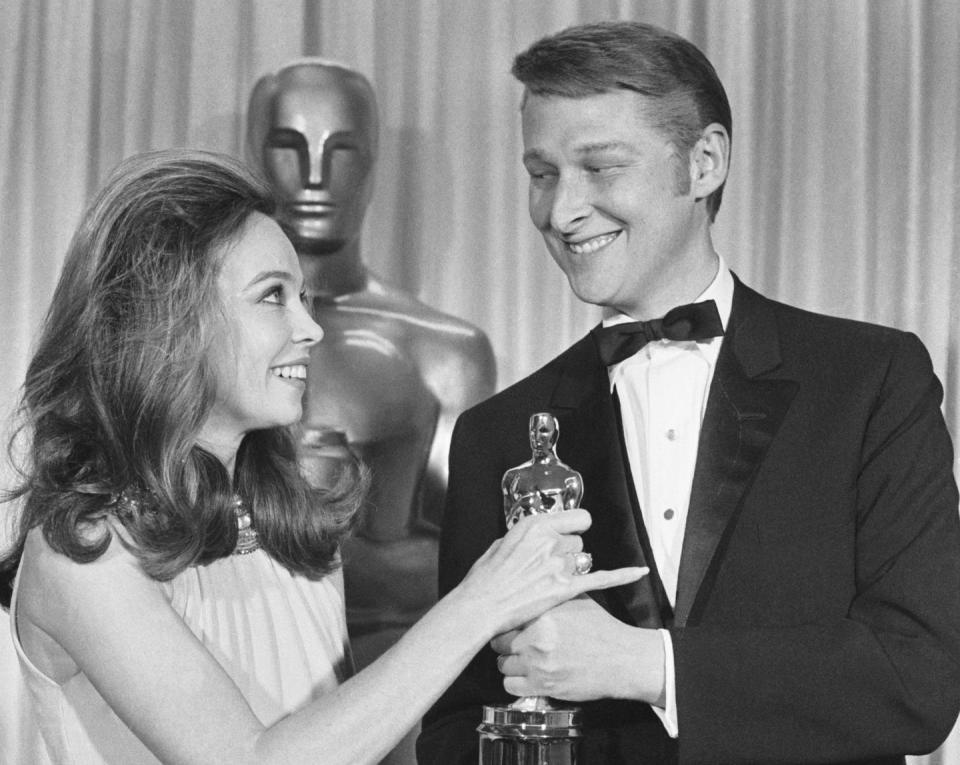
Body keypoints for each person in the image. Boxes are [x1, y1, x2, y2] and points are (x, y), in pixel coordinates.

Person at [418, 20, 960, 765]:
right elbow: (455, 731)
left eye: (600, 168)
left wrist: (645, 664)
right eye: (541, 173)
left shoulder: (871, 381)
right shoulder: (497, 434)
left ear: (704, 162)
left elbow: (917, 677)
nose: (559, 209)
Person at [0, 148, 644, 765]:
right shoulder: (84, 551)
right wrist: (481, 602)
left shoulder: (293, 523)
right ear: (168, 317)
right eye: (272, 295)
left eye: (302, 297)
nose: (310, 329)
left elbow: (353, 737)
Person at [245, 62, 497, 710]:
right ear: (252, 154)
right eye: (289, 146)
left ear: (374, 162)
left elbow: (459, 571)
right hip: (223, 679)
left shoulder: (444, 350)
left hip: (392, 687)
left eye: (342, 149)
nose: (316, 176)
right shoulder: (194, 337)